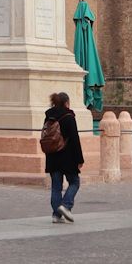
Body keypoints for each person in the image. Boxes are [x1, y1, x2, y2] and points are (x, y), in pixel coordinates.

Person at [43, 91, 84, 223]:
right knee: (74, 182)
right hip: (68, 157)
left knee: (56, 186)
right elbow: (74, 138)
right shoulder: (68, 116)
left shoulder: (48, 116)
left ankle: (56, 215)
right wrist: (80, 159)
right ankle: (66, 206)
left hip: (52, 156)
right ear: (67, 103)